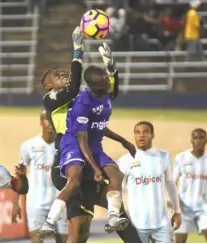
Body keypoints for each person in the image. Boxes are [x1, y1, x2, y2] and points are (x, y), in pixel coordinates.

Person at [38, 27, 141, 243]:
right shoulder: (52, 99)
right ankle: (48, 224)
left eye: (62, 72)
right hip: (67, 166)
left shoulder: (79, 101)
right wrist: (77, 52)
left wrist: (113, 72)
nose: (62, 74)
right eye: (56, 75)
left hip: (87, 161)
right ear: (48, 86)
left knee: (112, 215)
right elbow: (74, 88)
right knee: (78, 231)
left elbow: (97, 124)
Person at [118, 121, 182, 243]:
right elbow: (118, 190)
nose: (141, 135)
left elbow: (170, 184)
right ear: (134, 135)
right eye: (137, 132)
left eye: (146, 132)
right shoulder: (125, 161)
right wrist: (120, 215)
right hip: (136, 224)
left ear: (152, 135)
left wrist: (177, 211)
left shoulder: (163, 156)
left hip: (162, 224)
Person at [11, 111, 68, 243]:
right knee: (37, 240)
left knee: (63, 240)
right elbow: (20, 175)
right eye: (46, 119)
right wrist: (15, 204)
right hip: (36, 203)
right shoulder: (28, 146)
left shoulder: (64, 145)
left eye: (52, 119)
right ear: (41, 122)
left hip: (59, 202)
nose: (50, 123)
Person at [173, 128, 207, 243]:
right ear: (191, 141)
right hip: (183, 206)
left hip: (202, 206)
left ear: (206, 141)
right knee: (180, 239)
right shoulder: (181, 158)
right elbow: (172, 182)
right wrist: (174, 203)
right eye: (195, 137)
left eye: (201, 137)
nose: (198, 140)